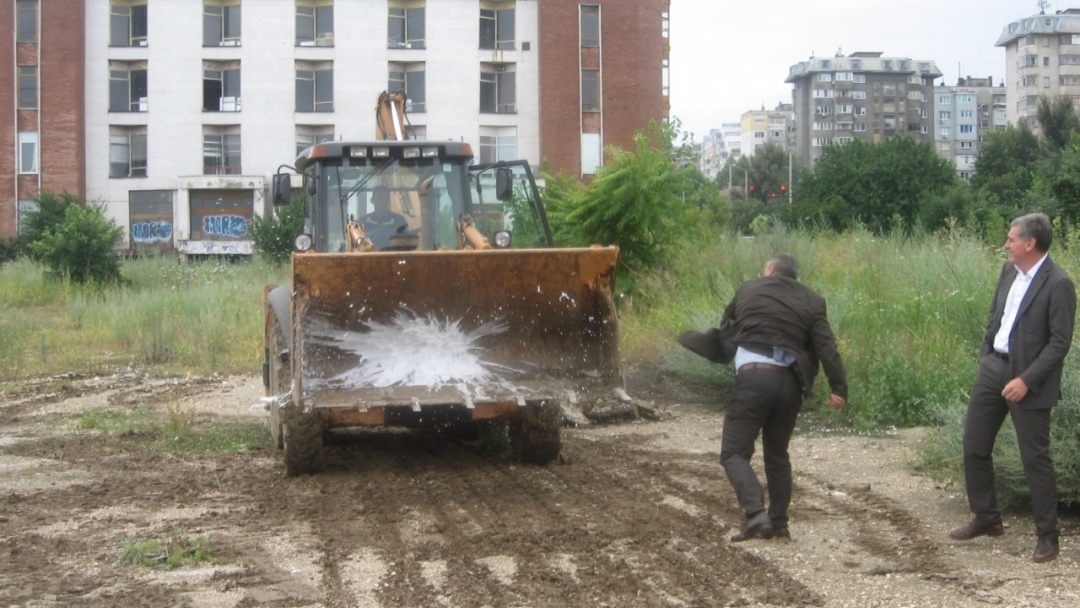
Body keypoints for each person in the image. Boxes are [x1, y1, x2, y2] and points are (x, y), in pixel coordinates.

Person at [949, 213, 1075, 563]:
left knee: (1035, 459)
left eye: (1011, 239)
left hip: (1030, 380)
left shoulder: (1059, 283)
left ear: (1030, 244)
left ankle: (1047, 536)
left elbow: (1060, 343)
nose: (1006, 244)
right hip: (994, 368)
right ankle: (987, 517)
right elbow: (996, 316)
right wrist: (987, 355)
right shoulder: (1008, 271)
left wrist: (1026, 380)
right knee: (974, 445)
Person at [716, 253, 847, 542]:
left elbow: (726, 324)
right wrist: (839, 388)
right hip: (790, 384)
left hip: (753, 379)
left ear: (770, 270)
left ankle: (755, 513)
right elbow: (826, 346)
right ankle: (778, 523)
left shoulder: (749, 288)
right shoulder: (813, 300)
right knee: (777, 456)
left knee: (734, 453)